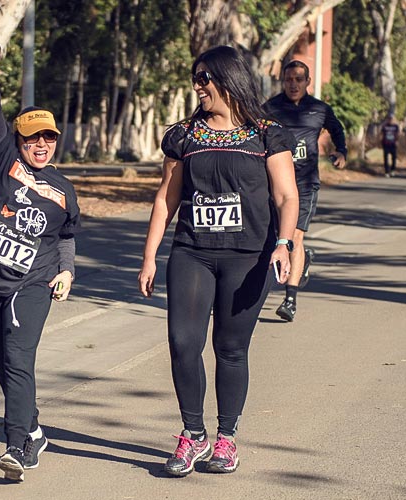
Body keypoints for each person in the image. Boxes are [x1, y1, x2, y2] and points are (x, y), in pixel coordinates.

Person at [137, 45, 299, 477]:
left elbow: (286, 196)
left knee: (230, 348)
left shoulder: (267, 133)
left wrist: (283, 243)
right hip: (192, 252)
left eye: (204, 77)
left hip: (249, 256)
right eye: (196, 78)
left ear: (228, 78)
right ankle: (193, 435)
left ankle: (226, 440)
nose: (198, 86)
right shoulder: (183, 135)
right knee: (183, 344)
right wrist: (149, 256)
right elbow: (165, 198)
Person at [0, 42, 81, 482]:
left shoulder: (64, 189)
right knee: (5, 366)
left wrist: (66, 269)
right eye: (33, 138)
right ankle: (32, 426)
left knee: (17, 361)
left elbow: (65, 234)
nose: (42, 145)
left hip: (32, 284)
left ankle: (18, 446)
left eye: (48, 137)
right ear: (18, 139)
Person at [263, 60, 347, 322]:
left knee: (293, 239)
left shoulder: (319, 109)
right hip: (275, 182)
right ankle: (303, 261)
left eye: (299, 79)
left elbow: (337, 129)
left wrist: (340, 151)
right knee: (275, 238)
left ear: (308, 82)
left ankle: (290, 299)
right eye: (289, 79)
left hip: (305, 183)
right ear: (283, 81)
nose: (293, 84)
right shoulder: (270, 108)